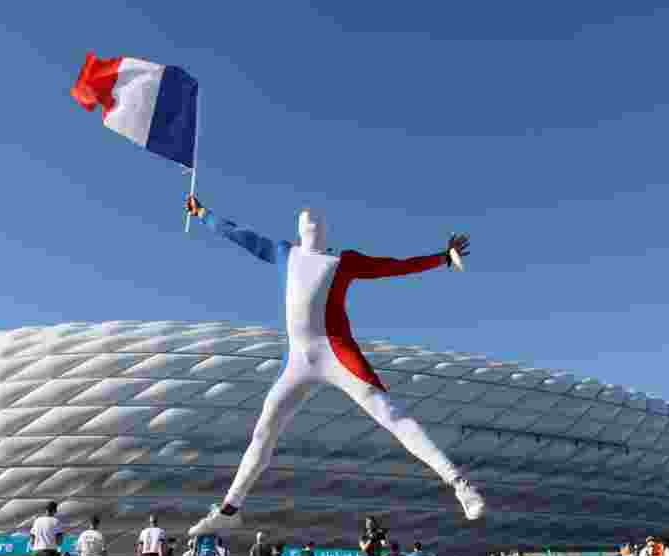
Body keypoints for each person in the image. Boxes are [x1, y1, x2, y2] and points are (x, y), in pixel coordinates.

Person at [184, 196, 484, 536]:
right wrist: (203, 213)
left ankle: (459, 483)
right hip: (298, 360)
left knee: (390, 414)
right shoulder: (284, 252)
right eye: (306, 218)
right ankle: (229, 510)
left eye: (317, 220)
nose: (311, 220)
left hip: (337, 353)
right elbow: (237, 234)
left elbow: (393, 266)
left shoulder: (344, 261)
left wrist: (442, 258)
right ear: (299, 228)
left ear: (325, 231)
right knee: (264, 431)